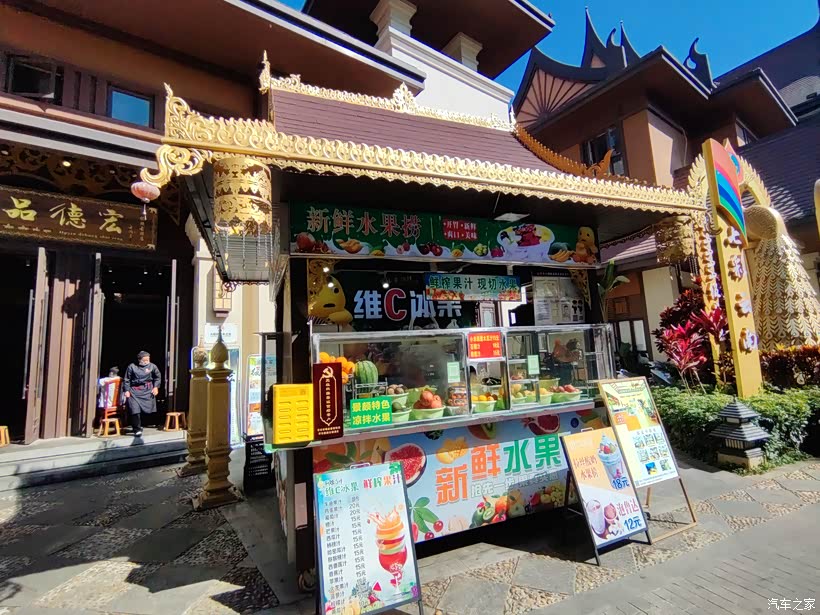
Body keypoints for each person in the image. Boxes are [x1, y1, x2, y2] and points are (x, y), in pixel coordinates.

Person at [123, 351, 161, 437]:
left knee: (147, 410)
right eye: (144, 360)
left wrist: (156, 387)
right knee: (134, 409)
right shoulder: (132, 366)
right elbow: (126, 379)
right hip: (134, 391)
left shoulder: (152, 366)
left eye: (148, 360)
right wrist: (126, 390)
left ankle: (143, 424)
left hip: (147, 390)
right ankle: (137, 429)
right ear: (139, 360)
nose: (147, 361)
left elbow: (158, 377)